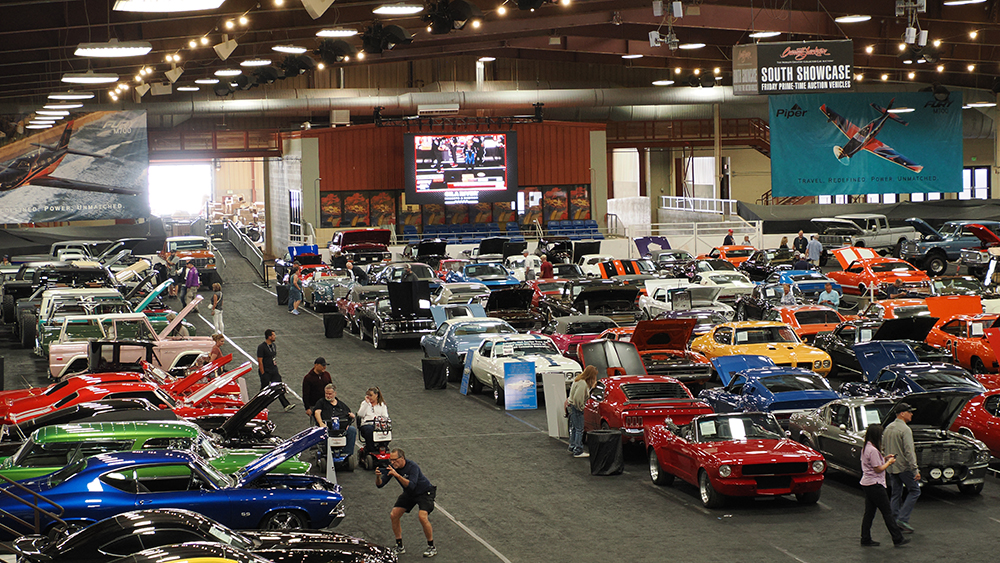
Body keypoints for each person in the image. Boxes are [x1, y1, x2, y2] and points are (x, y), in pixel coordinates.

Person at [376, 448, 437, 558]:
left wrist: (397, 475)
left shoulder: (413, 467)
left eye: (395, 460)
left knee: (422, 516)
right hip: (410, 493)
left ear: (402, 458)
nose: (393, 462)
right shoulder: (393, 467)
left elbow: (411, 485)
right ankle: (399, 546)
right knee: (394, 515)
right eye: (391, 460)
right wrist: (378, 476)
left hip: (424, 492)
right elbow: (380, 485)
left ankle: (431, 547)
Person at [859, 423, 908, 547]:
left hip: (867, 483)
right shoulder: (873, 450)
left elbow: (874, 463)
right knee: (887, 512)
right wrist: (889, 462)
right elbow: (878, 469)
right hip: (875, 484)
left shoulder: (866, 448)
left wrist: (885, 458)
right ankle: (897, 538)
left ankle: (865, 538)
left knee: (869, 513)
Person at [884, 403, 920, 533]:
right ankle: (902, 519)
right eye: (909, 412)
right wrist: (915, 469)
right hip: (904, 467)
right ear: (902, 414)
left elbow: (883, 447)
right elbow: (909, 451)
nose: (912, 414)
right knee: (915, 491)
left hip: (891, 467)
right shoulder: (905, 430)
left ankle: (894, 520)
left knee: (896, 492)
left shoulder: (888, 428)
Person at [256, 329, 294, 411]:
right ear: (269, 337)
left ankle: (286, 405)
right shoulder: (261, 347)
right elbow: (260, 361)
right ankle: (261, 407)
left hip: (274, 370)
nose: (275, 336)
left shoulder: (273, 346)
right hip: (266, 371)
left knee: (279, 387)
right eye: (273, 335)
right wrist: (263, 373)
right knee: (264, 390)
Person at [567, 365, 598, 458]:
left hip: (572, 407)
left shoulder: (578, 380)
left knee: (574, 428)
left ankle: (572, 446)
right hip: (576, 408)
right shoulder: (582, 384)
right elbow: (578, 398)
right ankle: (578, 450)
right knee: (579, 429)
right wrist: (581, 408)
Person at [358, 386, 389, 454]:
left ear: (376, 395)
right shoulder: (364, 403)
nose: (369, 397)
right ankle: (370, 450)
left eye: (371, 395)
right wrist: (366, 403)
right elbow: (360, 414)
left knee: (387, 430)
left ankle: (383, 447)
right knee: (370, 430)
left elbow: (385, 417)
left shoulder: (382, 405)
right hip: (367, 424)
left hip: (378, 424)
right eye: (368, 395)